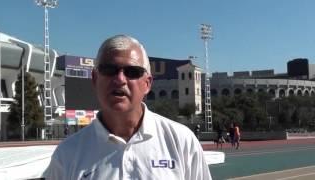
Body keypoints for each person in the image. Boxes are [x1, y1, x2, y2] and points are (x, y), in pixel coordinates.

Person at [45, 35, 212, 179]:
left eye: (132, 72)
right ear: (95, 79)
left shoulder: (181, 141)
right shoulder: (67, 154)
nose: (120, 79)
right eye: (109, 70)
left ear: (147, 84)